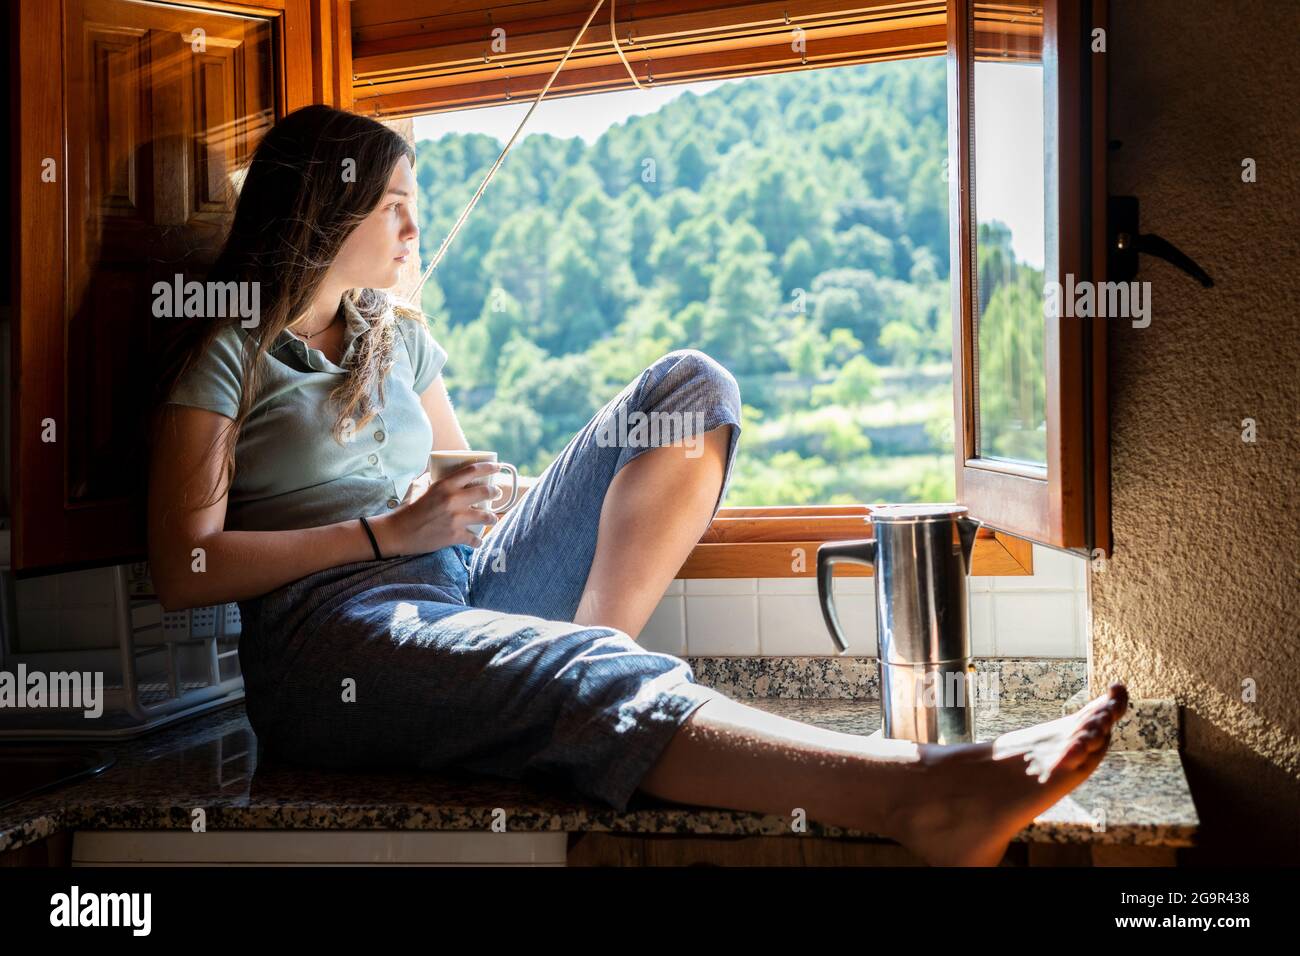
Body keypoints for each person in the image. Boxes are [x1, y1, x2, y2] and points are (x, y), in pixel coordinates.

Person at [147, 104, 1128, 868]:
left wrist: (487, 492)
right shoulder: (229, 354)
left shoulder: (397, 339)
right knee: (583, 677)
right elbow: (184, 566)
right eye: (394, 204)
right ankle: (918, 793)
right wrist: (381, 538)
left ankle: (585, 663)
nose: (414, 224)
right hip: (333, 641)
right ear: (327, 207)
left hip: (451, 579)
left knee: (690, 387)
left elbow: (451, 470)